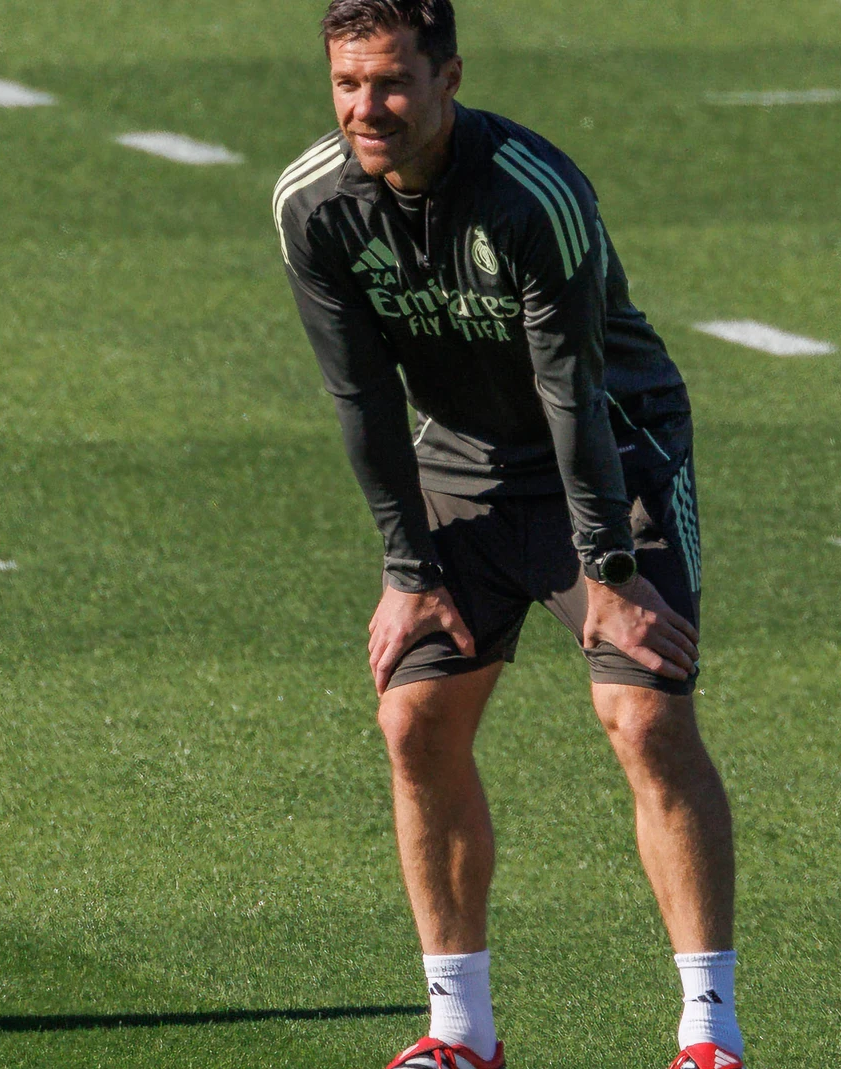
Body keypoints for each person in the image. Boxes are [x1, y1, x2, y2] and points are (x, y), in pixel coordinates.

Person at [273, 2, 745, 1067]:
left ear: (448, 77)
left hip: (612, 456)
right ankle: (460, 1034)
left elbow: (572, 391)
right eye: (347, 84)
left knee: (641, 716)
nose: (366, 107)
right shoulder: (313, 205)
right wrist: (406, 568)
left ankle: (708, 1034)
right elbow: (359, 397)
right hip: (459, 467)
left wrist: (611, 574)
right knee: (413, 719)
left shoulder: (534, 193)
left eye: (390, 81)